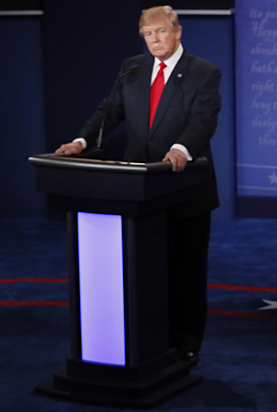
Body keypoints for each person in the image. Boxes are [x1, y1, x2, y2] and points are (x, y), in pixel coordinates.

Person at [55, 5, 221, 364]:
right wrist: (81, 142)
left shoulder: (204, 73)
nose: (154, 40)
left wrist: (181, 149)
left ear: (177, 32)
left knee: (185, 273)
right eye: (147, 35)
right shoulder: (133, 68)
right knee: (147, 271)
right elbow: (108, 111)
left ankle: (188, 341)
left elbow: (203, 120)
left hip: (185, 188)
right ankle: (154, 338)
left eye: (160, 32)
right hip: (138, 193)